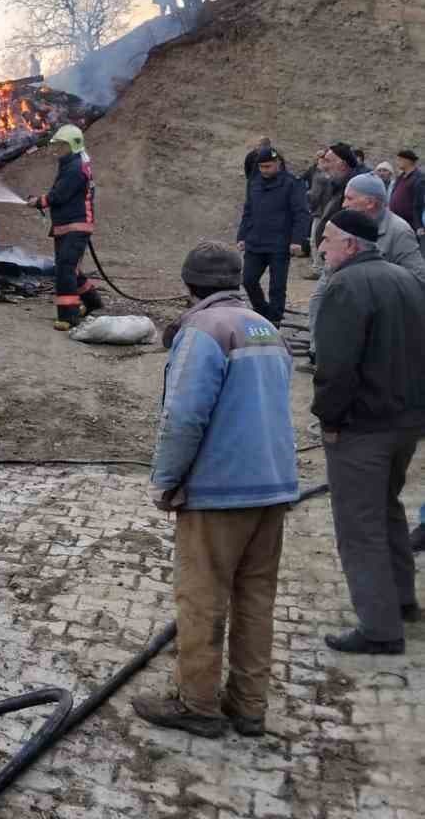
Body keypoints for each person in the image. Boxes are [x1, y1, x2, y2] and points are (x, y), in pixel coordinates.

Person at [132, 242, 296, 739]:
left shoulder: (203, 331)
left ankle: (197, 705)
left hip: (220, 491)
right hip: (272, 487)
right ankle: (249, 706)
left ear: (190, 285)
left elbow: (183, 417)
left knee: (202, 598)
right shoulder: (266, 328)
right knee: (255, 597)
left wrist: (165, 482)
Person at [312, 209, 425, 654]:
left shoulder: (345, 286)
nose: (321, 248)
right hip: (407, 423)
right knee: (386, 508)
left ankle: (379, 629)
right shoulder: (407, 280)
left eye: (327, 240)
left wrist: (331, 419)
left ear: (351, 245)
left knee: (359, 525)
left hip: (363, 428)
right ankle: (401, 600)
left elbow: (335, 368)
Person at [24, 124, 104, 331]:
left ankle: (69, 317)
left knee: (65, 269)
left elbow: (59, 195)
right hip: (69, 225)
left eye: (61, 145)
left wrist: (39, 201)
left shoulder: (75, 168)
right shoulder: (72, 163)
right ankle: (92, 301)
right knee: (71, 268)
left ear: (73, 145)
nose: (56, 149)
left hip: (75, 226)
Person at [237, 145, 311, 325]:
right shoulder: (254, 183)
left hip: (280, 242)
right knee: (248, 280)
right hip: (255, 241)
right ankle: (262, 312)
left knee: (277, 286)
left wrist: (297, 240)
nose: (264, 170)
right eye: (261, 167)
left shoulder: (292, 183)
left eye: (268, 166)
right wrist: (242, 236)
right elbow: (248, 211)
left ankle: (275, 320)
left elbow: (301, 213)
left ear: (278, 163)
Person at [342, 172, 425, 287]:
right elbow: (327, 275)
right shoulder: (345, 225)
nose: (344, 204)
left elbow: (418, 278)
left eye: (349, 198)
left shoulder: (399, 231)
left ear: (370, 203)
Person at [390, 148, 425, 237]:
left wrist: (418, 225)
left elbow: (418, 203)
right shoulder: (401, 177)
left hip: (409, 224)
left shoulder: (418, 178)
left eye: (400, 159)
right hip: (396, 221)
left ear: (407, 161)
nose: (397, 162)